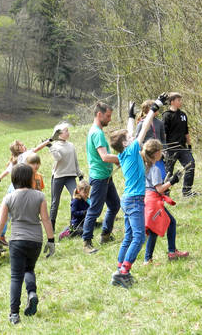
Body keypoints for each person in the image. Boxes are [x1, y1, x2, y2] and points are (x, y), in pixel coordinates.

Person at [108, 93, 167, 288]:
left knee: (128, 236)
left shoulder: (125, 153)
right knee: (139, 237)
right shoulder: (133, 149)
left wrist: (131, 117)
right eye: (128, 137)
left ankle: (119, 268)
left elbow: (131, 133)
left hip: (128, 199)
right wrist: (154, 108)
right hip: (134, 200)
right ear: (126, 143)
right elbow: (139, 134)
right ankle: (124, 272)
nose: (131, 136)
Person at [0, 164, 55, 324]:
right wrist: (51, 240)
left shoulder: (9, 197)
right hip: (35, 240)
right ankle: (32, 292)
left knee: (15, 277)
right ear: (30, 178)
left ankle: (14, 314)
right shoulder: (39, 196)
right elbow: (46, 219)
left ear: (14, 179)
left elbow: (1, 221)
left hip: (17, 240)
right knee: (29, 269)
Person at [141, 139, 189, 264]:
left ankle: (152, 257)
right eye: (161, 150)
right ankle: (166, 254)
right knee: (163, 225)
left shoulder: (144, 167)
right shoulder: (154, 169)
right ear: (156, 153)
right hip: (153, 202)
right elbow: (159, 189)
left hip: (147, 199)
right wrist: (173, 181)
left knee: (157, 227)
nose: (162, 152)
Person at [81, 102, 120, 254]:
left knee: (115, 205)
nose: (109, 119)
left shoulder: (97, 131)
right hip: (99, 178)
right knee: (94, 211)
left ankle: (105, 234)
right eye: (108, 116)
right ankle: (86, 242)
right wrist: (122, 158)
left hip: (106, 177)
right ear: (99, 114)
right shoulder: (96, 133)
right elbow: (104, 157)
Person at [0, 140, 48, 244]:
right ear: (18, 149)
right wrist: (49, 141)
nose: (24, 146)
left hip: (12, 186)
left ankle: (0, 235)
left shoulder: (14, 160)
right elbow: (37, 148)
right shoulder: (26, 154)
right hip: (21, 187)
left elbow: (6, 172)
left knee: (7, 213)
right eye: (22, 145)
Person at [47, 122, 84, 231]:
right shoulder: (55, 146)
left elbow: (75, 161)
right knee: (55, 201)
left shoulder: (71, 145)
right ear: (59, 134)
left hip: (70, 176)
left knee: (76, 198)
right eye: (66, 131)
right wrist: (50, 147)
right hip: (58, 176)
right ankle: (51, 226)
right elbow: (58, 158)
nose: (68, 132)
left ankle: (74, 223)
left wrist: (80, 174)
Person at [162, 92, 197, 197]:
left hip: (183, 147)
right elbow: (164, 134)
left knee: (190, 165)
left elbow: (186, 131)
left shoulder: (183, 115)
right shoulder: (166, 115)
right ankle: (165, 194)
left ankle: (187, 191)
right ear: (172, 101)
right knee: (169, 171)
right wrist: (164, 148)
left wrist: (189, 145)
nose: (180, 102)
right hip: (170, 148)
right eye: (178, 100)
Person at [134, 100, 167, 180]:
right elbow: (138, 140)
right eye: (156, 108)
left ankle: (163, 190)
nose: (158, 110)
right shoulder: (141, 123)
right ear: (149, 109)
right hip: (147, 156)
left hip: (159, 155)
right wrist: (146, 151)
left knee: (162, 174)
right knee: (149, 176)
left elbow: (163, 139)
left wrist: (164, 150)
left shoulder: (160, 123)